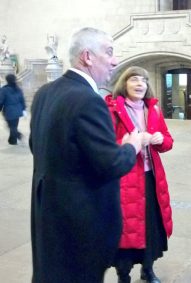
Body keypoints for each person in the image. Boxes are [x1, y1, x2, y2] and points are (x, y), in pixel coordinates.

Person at [29, 27, 143, 283]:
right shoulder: (89, 100)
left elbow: (37, 147)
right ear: (88, 57)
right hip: (80, 224)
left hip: (48, 216)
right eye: (109, 52)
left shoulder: (45, 93)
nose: (115, 61)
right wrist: (131, 146)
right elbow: (111, 164)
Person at [105, 66, 174, 283]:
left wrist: (160, 140)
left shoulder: (152, 109)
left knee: (151, 228)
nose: (140, 84)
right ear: (124, 84)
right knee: (125, 229)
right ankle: (123, 275)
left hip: (150, 177)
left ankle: (148, 269)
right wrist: (128, 143)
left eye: (143, 80)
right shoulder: (112, 109)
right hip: (125, 179)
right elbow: (103, 146)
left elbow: (168, 139)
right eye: (134, 79)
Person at [0, 74, 26, 145]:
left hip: (9, 111)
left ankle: (18, 135)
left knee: (10, 126)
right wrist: (23, 109)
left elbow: (1, 100)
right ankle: (12, 141)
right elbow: (22, 100)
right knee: (14, 126)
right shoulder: (18, 89)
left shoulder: (4, 90)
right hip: (18, 110)